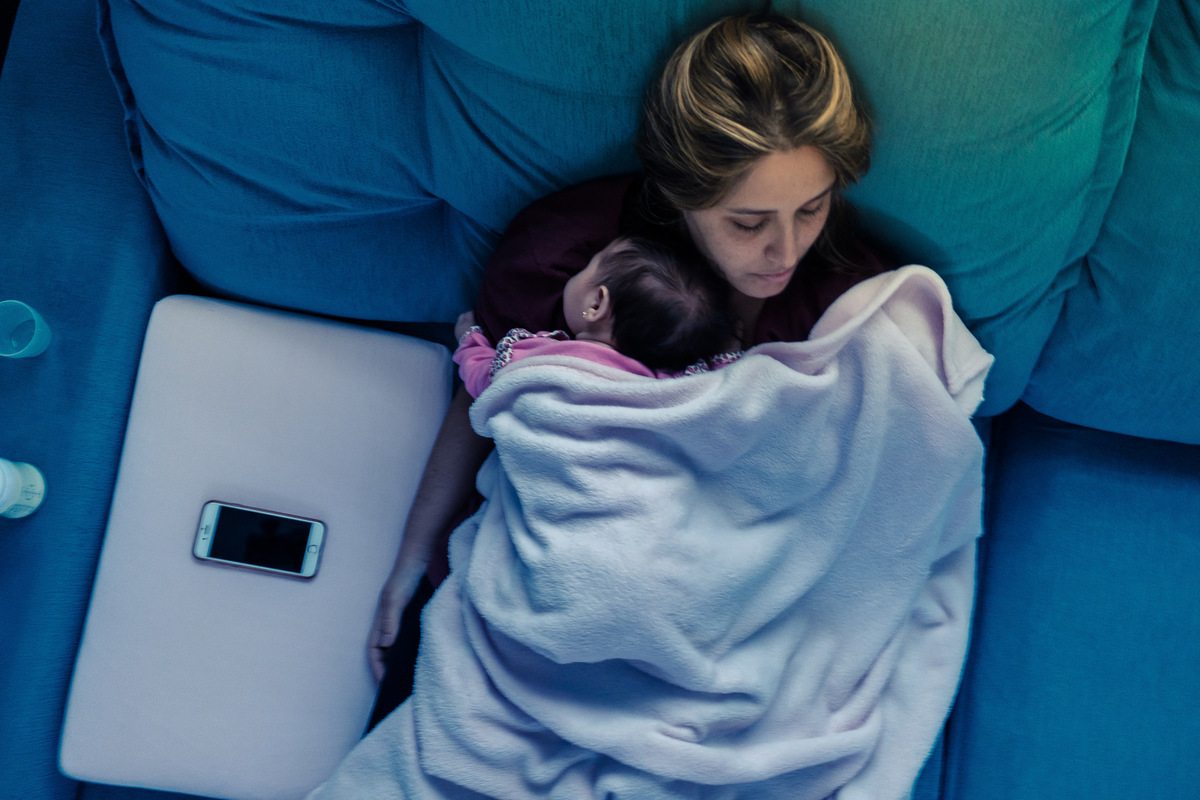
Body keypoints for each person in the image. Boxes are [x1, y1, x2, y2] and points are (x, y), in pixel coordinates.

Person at [366, 12, 898, 712]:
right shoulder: (570, 260)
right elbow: (490, 399)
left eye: (812, 208)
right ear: (681, 191)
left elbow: (867, 478)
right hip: (547, 568)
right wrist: (413, 554)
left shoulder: (851, 298)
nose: (786, 251)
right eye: (747, 222)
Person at [453, 235, 738, 399]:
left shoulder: (541, 359)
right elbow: (721, 391)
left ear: (596, 304)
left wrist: (470, 340)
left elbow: (485, 380)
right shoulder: (671, 387)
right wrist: (728, 350)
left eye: (587, 266)